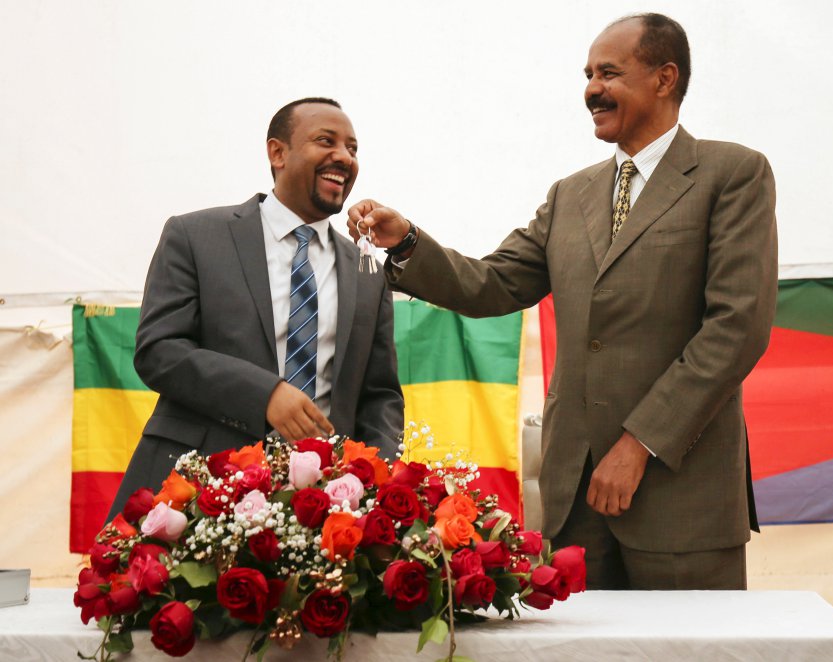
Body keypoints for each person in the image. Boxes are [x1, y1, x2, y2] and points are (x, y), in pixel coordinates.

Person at [348, 14, 777, 590]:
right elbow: (492, 284)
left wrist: (639, 445)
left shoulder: (733, 173)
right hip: (576, 501)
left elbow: (737, 328)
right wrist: (406, 243)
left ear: (665, 78)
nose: (591, 89)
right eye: (588, 74)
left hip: (684, 498)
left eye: (609, 73)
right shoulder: (570, 194)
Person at [108, 98, 403, 518]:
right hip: (196, 495)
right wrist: (264, 394)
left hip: (321, 511)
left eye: (353, 149)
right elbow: (159, 351)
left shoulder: (368, 268)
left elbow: (380, 396)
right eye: (327, 141)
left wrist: (374, 480)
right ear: (277, 152)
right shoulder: (195, 236)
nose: (344, 157)